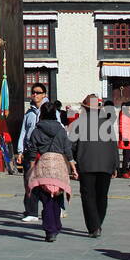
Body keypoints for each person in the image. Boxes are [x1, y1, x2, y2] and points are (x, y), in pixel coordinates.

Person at [24, 101, 78, 241]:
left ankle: (50, 230)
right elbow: (67, 149)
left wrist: (31, 168)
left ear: (42, 113)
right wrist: (72, 166)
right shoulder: (61, 130)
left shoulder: (37, 130)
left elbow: (32, 151)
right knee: (57, 197)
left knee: (46, 199)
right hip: (59, 166)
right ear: (55, 114)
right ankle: (57, 225)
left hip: (43, 165)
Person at [72, 93, 119, 238]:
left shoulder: (79, 123)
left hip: (86, 164)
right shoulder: (107, 124)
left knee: (88, 196)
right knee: (102, 195)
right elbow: (113, 146)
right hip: (106, 165)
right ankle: (98, 222)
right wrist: (115, 165)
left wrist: (73, 163)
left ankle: (94, 226)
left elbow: (72, 146)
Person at [15, 84, 49, 221]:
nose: (34, 95)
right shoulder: (29, 113)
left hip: (45, 151)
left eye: (38, 92)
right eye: (33, 92)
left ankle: (53, 209)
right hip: (30, 151)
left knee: (47, 182)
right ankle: (31, 212)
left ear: (44, 94)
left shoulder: (50, 110)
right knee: (29, 180)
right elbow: (23, 131)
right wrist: (20, 151)